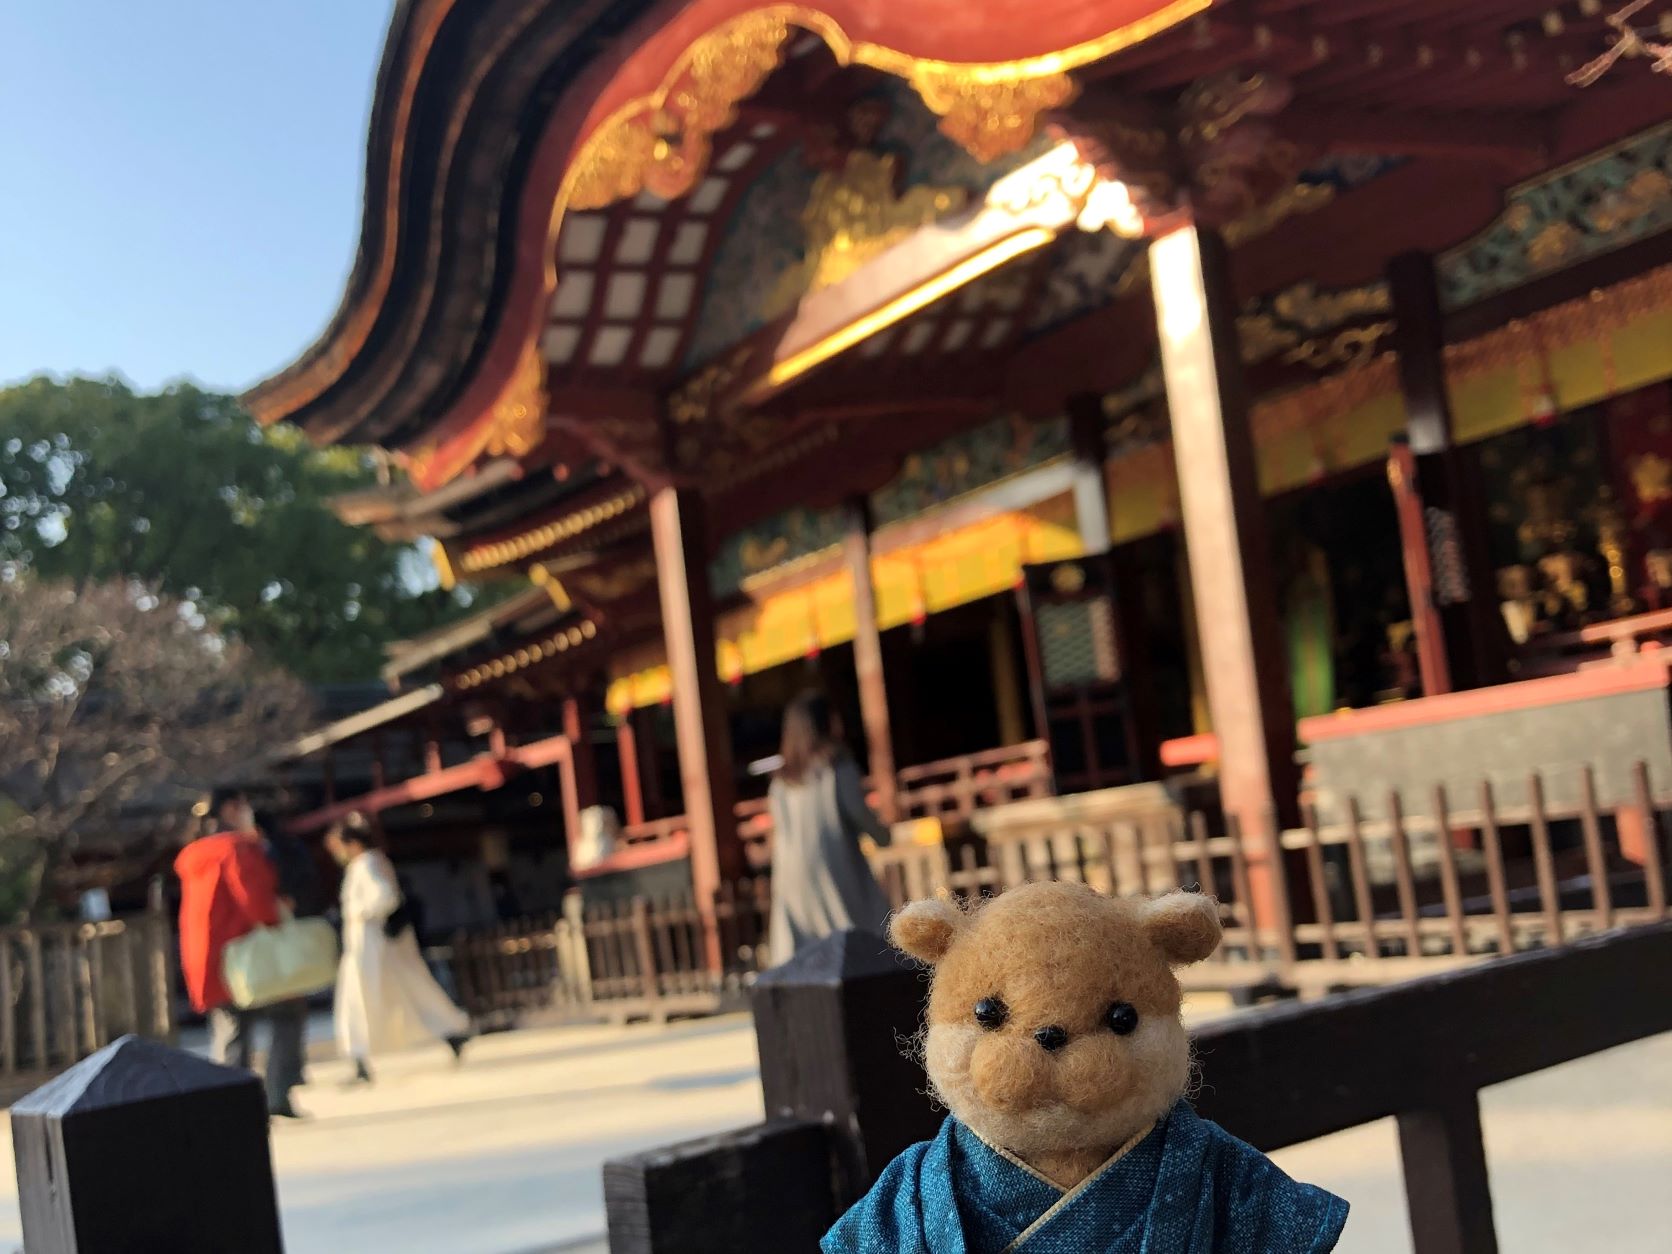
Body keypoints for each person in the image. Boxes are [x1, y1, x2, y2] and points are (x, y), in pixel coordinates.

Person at [174, 787, 304, 1118]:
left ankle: (232, 1106)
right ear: (231, 810)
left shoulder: (193, 854)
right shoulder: (237, 848)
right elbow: (256, 901)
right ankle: (277, 1094)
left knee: (231, 1029)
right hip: (246, 954)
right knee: (287, 1013)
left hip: (207, 956)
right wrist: (277, 920)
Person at [326, 813, 470, 1085]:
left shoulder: (367, 864)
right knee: (412, 990)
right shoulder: (371, 862)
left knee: (362, 1000)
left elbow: (385, 898)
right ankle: (451, 1031)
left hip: (372, 945)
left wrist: (359, 913)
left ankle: (360, 1058)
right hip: (376, 945)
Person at [767, 691, 893, 964]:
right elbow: (858, 812)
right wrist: (883, 836)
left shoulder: (781, 781)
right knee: (856, 943)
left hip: (791, 875)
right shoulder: (836, 767)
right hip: (833, 865)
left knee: (807, 955)